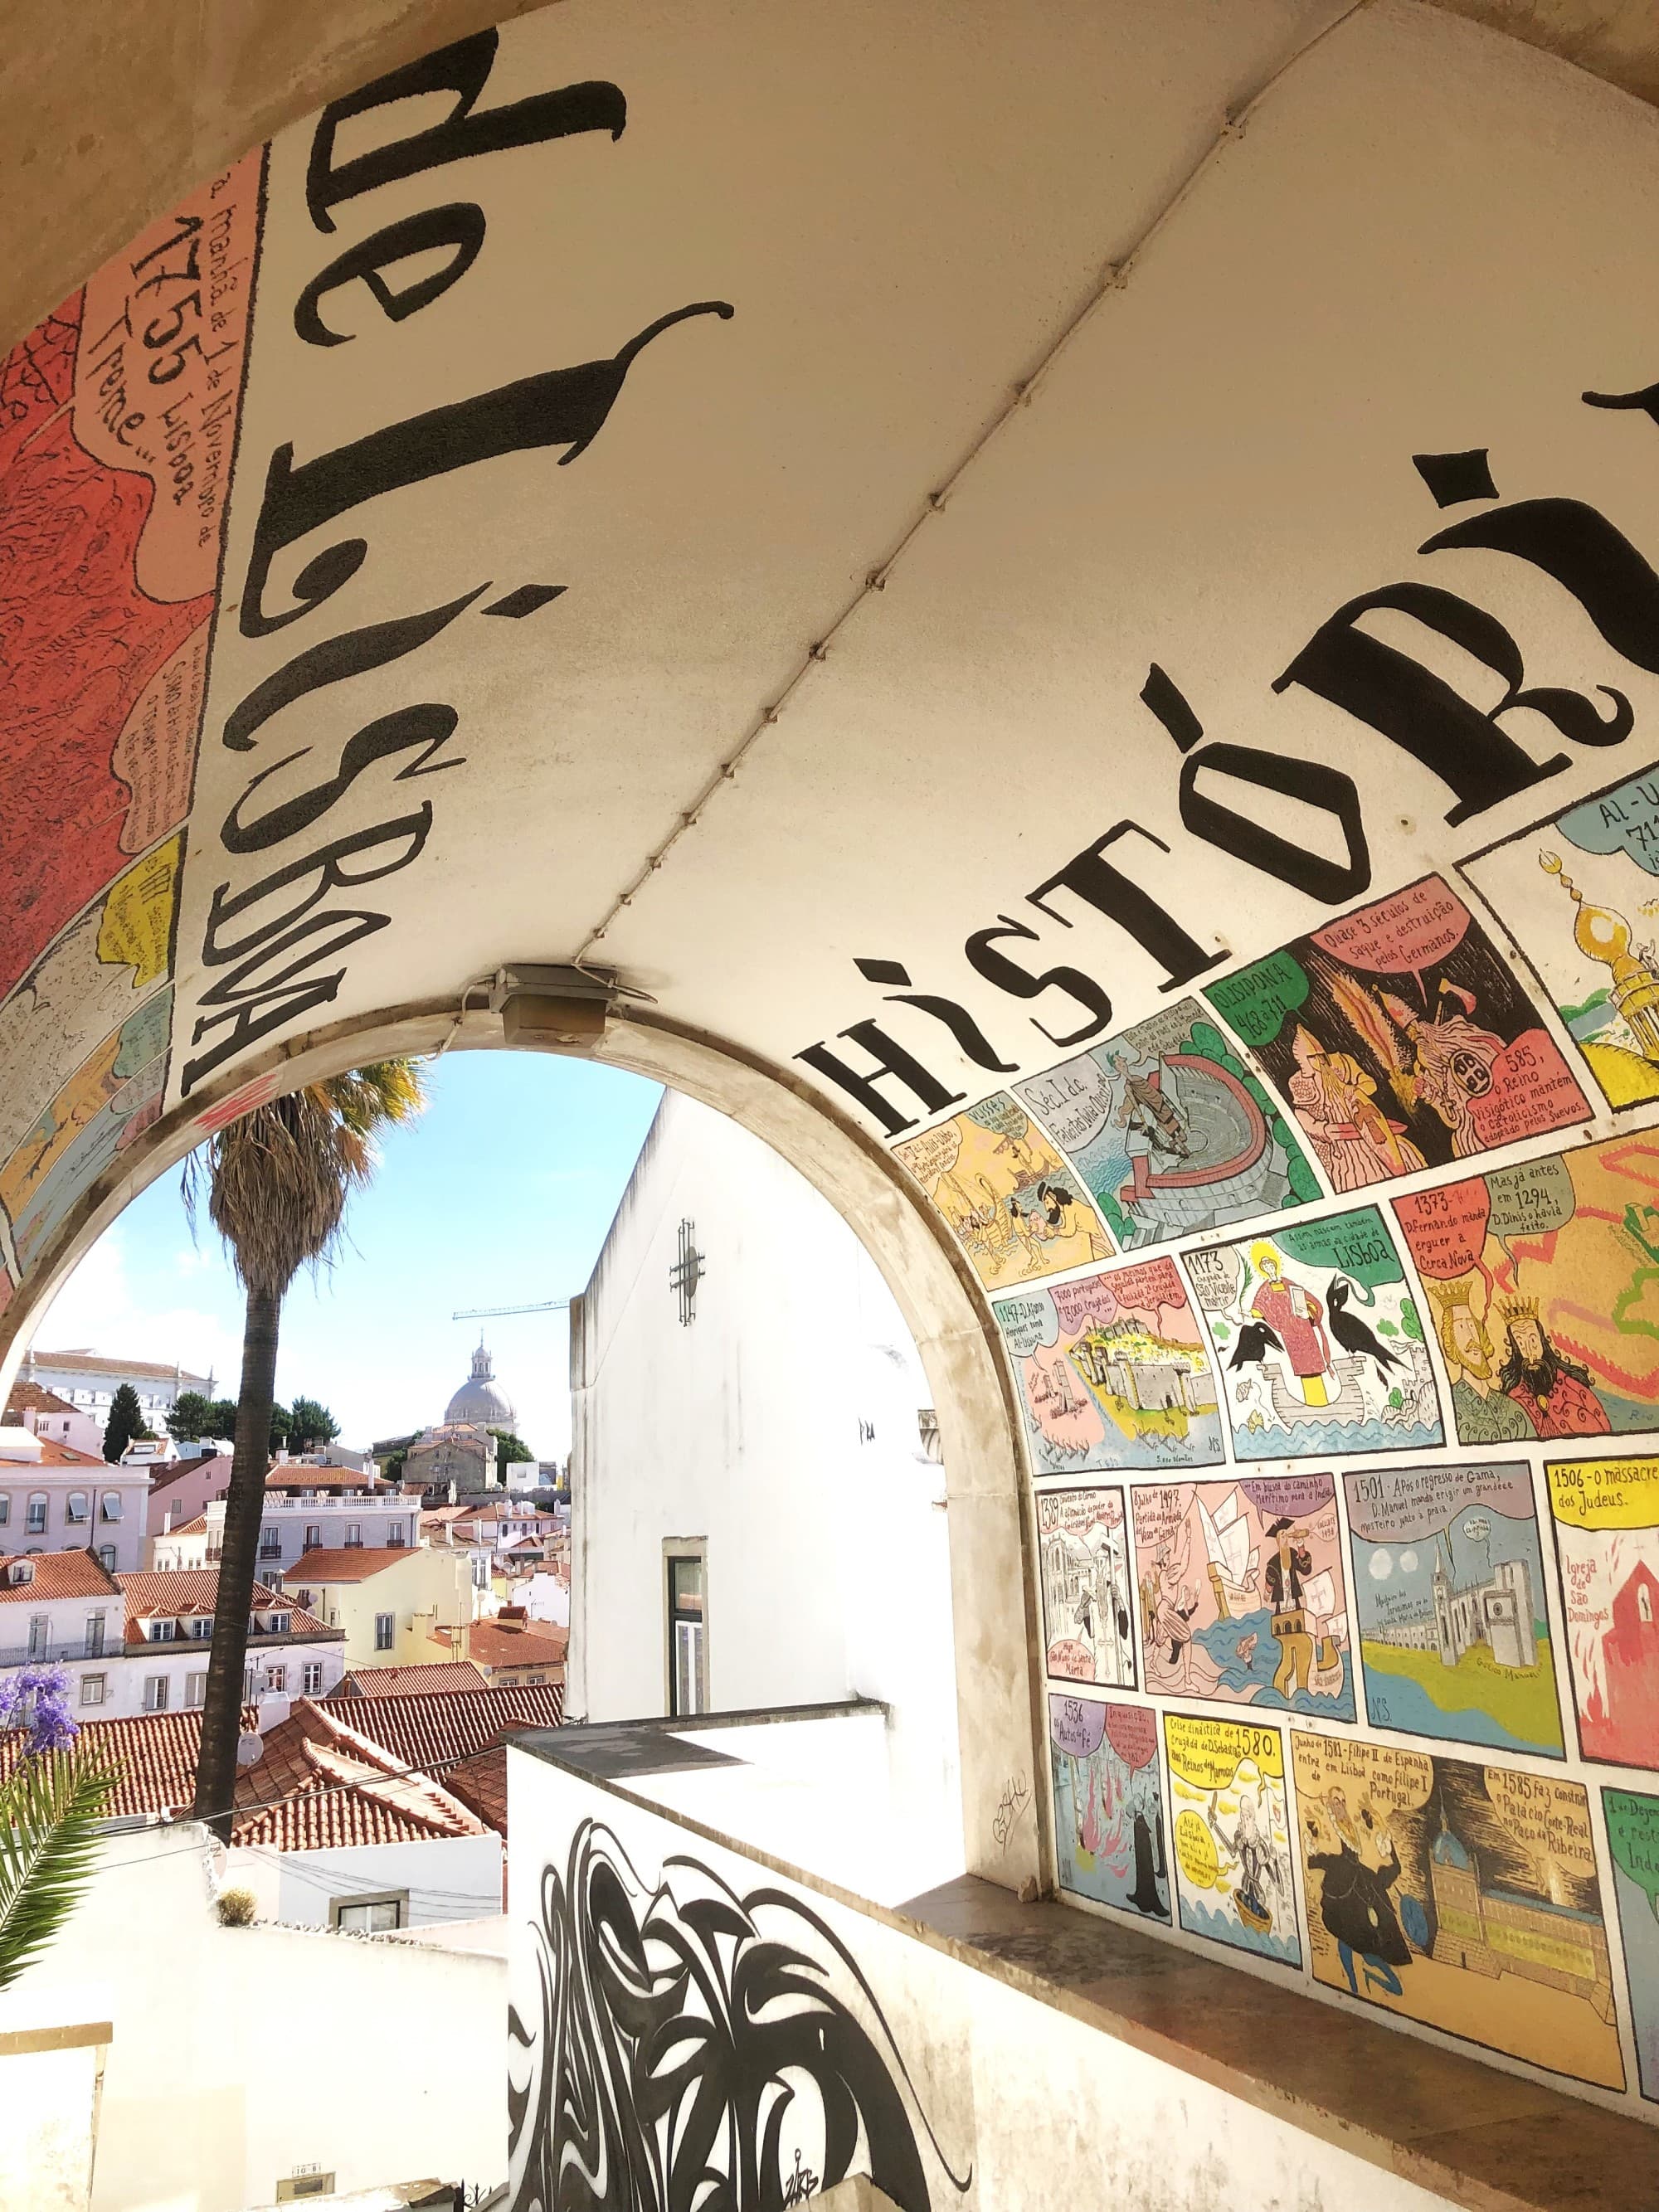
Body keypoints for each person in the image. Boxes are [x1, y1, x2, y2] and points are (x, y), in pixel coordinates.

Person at [1286, 1026, 1424, 1190]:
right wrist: (1324, 1129)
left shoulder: (1342, 1061)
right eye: (1312, 1057)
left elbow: (1370, 1084)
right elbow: (1300, 1115)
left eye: (1319, 1055)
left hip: (1368, 1127)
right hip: (1343, 1148)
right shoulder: (1299, 1082)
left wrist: (1355, 1089)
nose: (1319, 1060)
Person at [1304, 1790, 1411, 1997]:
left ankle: (1363, 1978)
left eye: (1343, 1801)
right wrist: (1314, 1844)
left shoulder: (1349, 1823)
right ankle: (1353, 1983)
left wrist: (1378, 1830)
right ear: (1329, 1802)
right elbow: (1319, 1850)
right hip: (1341, 1874)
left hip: (1355, 1872)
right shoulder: (1327, 1821)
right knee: (1346, 1928)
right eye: (1337, 1801)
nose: (1341, 1804)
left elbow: (1364, 1843)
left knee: (1372, 1913)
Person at [1430, 1280, 1534, 1443]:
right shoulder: (1449, 1407)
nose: (1471, 1337)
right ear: (1452, 1344)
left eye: (1472, 1326)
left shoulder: (1513, 1408)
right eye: (1461, 1328)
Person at [1497, 1301, 1611, 1438]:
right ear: (1515, 1350)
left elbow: (1601, 1433)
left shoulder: (1572, 1387)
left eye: (1533, 1340)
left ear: (1542, 1341)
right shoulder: (1515, 1398)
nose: (1529, 1351)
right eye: (1521, 1343)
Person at [1249, 1243, 1334, 1407]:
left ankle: (1322, 1402)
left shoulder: (1289, 1284)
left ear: (1275, 1265)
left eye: (1271, 1264)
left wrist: (1308, 1314)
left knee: (1314, 1364)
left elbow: (1311, 1301)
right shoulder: (1265, 1289)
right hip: (1290, 1334)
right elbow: (1258, 1308)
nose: (1269, 1268)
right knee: (1303, 1367)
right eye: (1265, 1266)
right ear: (1263, 1269)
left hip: (1304, 1330)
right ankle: (1314, 1403)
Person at [1262, 1516, 1316, 1699]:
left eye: (1287, 1535)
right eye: (1283, 1536)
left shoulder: (1293, 1554)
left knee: (1304, 1643)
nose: (1286, 1539)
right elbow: (1268, 1587)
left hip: (1295, 1604)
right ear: (1278, 1541)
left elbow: (1306, 1569)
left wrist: (1301, 1546)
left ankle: (1302, 1686)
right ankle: (1282, 1687)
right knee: (1288, 1650)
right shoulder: (1273, 1563)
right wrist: (1267, 1592)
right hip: (1282, 1609)